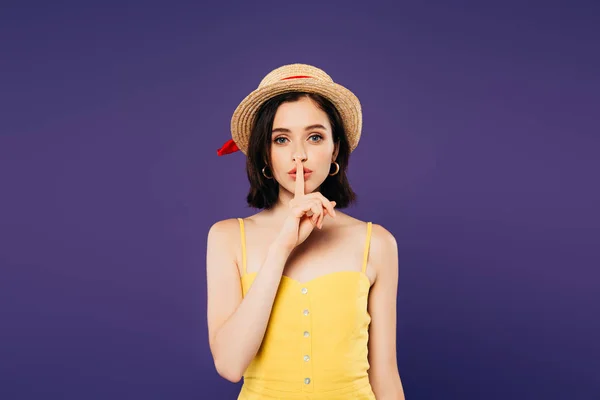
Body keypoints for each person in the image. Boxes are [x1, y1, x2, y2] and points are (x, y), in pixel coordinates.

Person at [207, 63, 405, 399]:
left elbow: (385, 374)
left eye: (315, 136)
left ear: (335, 148)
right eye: (281, 139)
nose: (299, 155)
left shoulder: (378, 243)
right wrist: (282, 248)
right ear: (265, 156)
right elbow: (229, 365)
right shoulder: (227, 238)